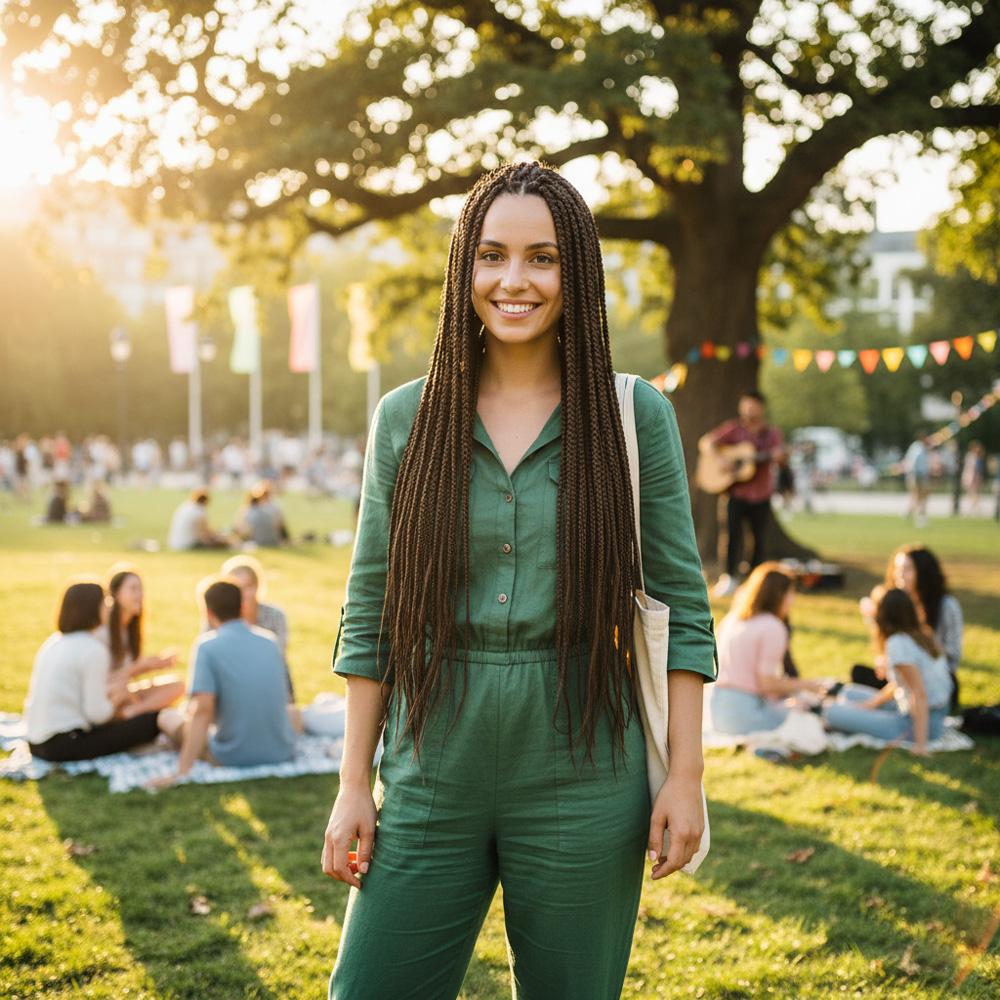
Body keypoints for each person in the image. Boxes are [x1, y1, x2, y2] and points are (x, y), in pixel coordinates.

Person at [320, 162, 716, 1000]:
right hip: (432, 759)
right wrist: (355, 784)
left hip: (585, 756)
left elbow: (681, 611)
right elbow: (372, 615)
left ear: (577, 274)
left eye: (542, 258)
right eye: (492, 255)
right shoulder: (405, 418)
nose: (514, 280)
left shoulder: (634, 415)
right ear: (465, 268)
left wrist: (685, 778)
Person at [151, 579, 296, 787]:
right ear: (243, 607)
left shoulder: (207, 647)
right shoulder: (270, 641)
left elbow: (202, 712)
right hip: (281, 751)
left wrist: (181, 773)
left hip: (232, 756)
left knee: (167, 716)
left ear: (208, 613)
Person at [24, 579, 162, 761]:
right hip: (64, 745)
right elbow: (97, 714)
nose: (110, 608)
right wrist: (117, 700)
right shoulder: (93, 649)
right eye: (105, 602)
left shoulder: (54, 642)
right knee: (154, 720)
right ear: (91, 608)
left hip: (35, 743)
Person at [825, 587, 952, 756]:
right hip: (919, 711)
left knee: (831, 712)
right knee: (849, 692)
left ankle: (835, 716)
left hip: (917, 724)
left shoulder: (898, 643)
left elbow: (919, 693)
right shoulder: (921, 635)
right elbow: (902, 684)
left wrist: (921, 746)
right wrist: (871, 705)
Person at [710, 562, 829, 734]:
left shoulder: (732, 619)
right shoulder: (772, 626)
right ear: (780, 595)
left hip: (717, 711)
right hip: (744, 713)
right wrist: (807, 685)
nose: (793, 600)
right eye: (791, 593)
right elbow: (767, 684)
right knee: (812, 719)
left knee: (795, 707)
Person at [852, 544, 963, 711]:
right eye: (897, 569)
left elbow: (953, 656)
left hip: (933, 679)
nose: (899, 575)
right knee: (858, 672)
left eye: (907, 569)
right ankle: (887, 702)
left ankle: (888, 704)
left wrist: (922, 650)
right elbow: (891, 648)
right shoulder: (894, 604)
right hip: (901, 677)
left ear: (924, 573)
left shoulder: (946, 606)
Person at [700, 390, 785, 597]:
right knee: (731, 535)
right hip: (735, 493)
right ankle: (728, 577)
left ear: (761, 408)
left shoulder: (772, 434)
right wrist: (723, 461)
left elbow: (782, 462)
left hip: (761, 495)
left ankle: (754, 581)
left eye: (753, 406)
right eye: (745, 405)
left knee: (758, 539)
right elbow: (706, 443)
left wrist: (779, 457)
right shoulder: (733, 429)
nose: (749, 410)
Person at [220, 554, 302, 732]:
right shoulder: (220, 617)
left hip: (268, 681)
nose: (242, 594)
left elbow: (276, 656)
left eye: (247, 586)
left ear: (257, 587)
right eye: (235, 588)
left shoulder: (275, 615)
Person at [100, 565, 184, 718]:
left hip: (123, 691)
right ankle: (133, 713)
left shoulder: (127, 631)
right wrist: (142, 666)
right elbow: (106, 679)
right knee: (121, 691)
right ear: (116, 594)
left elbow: (128, 672)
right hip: (105, 694)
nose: (139, 595)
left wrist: (155, 664)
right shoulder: (103, 632)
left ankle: (133, 712)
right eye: (133, 589)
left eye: (140, 590)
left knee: (176, 685)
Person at [236, 479, 288, 547]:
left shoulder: (248, 509)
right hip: (274, 540)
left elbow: (240, 528)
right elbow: (280, 525)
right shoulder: (275, 507)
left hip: (257, 540)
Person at [903, 430, 931, 527]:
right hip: (917, 475)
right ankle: (919, 516)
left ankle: (908, 512)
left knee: (918, 496)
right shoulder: (917, 447)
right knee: (918, 496)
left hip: (919, 474)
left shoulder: (920, 447)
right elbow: (913, 462)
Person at [961, 441, 986, 514]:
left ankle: (974, 507)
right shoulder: (972, 456)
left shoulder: (978, 457)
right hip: (971, 476)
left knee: (974, 492)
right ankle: (974, 507)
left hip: (975, 476)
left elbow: (978, 468)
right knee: (972, 492)